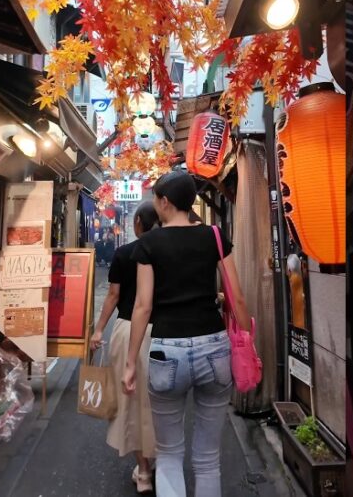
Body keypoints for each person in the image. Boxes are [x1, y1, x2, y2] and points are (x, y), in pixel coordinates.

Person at [122, 171, 252, 497]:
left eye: (155, 198)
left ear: (164, 202)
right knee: (208, 457)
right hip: (215, 347)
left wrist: (129, 363)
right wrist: (247, 339)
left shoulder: (148, 244)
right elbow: (236, 296)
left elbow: (142, 306)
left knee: (169, 454)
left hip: (167, 352)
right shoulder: (215, 236)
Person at [90, 202, 161, 493]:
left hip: (128, 330)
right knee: (160, 403)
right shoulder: (165, 253)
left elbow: (113, 297)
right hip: (164, 334)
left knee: (131, 403)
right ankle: (158, 460)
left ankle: (144, 471)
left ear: (138, 224)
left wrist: (97, 329)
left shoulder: (123, 253)